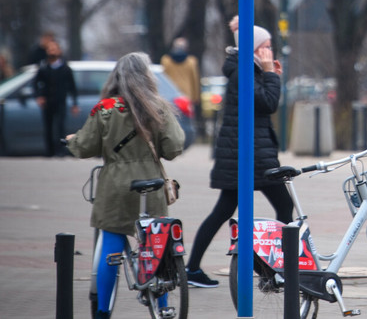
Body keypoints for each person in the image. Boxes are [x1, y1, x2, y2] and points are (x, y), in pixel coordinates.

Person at [66, 52, 186, 319]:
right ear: (147, 77)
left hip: (115, 187)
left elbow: (85, 146)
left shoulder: (105, 109)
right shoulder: (157, 106)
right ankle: (162, 305)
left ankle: (103, 310)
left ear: (116, 76)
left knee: (111, 242)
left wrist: (72, 141)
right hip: (152, 186)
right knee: (155, 245)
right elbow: (174, 147)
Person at [185, 21, 292, 288]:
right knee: (283, 206)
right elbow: (268, 103)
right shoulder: (243, 71)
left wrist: (269, 74)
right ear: (254, 49)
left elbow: (263, 101)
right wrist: (272, 75)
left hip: (249, 152)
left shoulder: (248, 69)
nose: (270, 51)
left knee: (224, 210)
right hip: (249, 155)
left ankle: (193, 268)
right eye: (266, 47)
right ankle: (280, 267)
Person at [34, 39, 79, 157]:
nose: (52, 51)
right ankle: (49, 151)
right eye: (50, 49)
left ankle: (60, 151)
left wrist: (75, 103)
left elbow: (72, 87)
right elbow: (36, 83)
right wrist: (39, 96)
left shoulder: (65, 68)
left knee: (60, 126)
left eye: (54, 49)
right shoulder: (43, 67)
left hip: (60, 101)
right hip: (47, 102)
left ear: (59, 51)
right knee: (48, 126)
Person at [160, 37, 203, 139]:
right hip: (186, 95)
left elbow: (163, 77)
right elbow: (194, 79)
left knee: (170, 119)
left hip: (170, 94)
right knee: (186, 121)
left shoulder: (166, 60)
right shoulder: (191, 61)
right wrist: (196, 96)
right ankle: (185, 138)